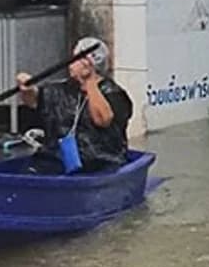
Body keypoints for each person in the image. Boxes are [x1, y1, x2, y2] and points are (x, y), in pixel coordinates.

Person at [16, 37, 133, 174]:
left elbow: (103, 120)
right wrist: (26, 88)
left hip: (99, 163)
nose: (71, 64)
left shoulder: (114, 94)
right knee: (33, 169)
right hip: (56, 160)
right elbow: (34, 100)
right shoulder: (60, 89)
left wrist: (89, 81)